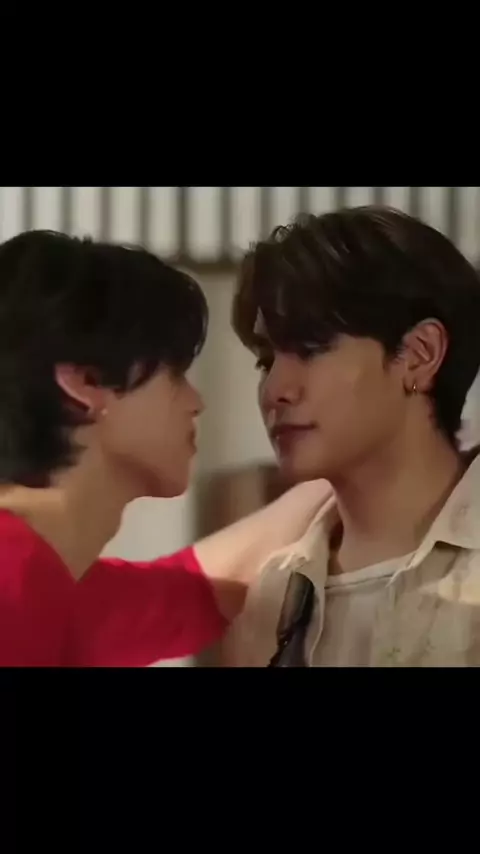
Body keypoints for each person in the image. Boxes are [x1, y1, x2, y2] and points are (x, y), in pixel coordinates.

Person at [0, 229, 328, 667]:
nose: (196, 402)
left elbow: (201, 591)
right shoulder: (12, 585)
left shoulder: (50, 580)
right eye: (175, 373)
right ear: (87, 384)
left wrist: (353, 471)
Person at [222, 205, 480, 667]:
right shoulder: (275, 597)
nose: (275, 390)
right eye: (266, 360)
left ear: (419, 354)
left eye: (311, 348)